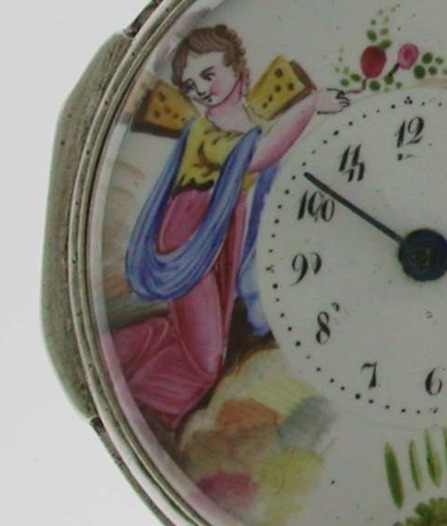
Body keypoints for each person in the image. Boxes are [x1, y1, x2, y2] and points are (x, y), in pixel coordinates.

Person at [113, 24, 348, 432]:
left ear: (237, 67)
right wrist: (310, 106)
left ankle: (117, 353)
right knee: (205, 361)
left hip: (223, 239)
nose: (201, 90)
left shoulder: (255, 119)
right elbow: (257, 157)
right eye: (191, 85)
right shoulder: (204, 133)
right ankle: (150, 411)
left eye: (208, 75)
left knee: (190, 331)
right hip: (190, 238)